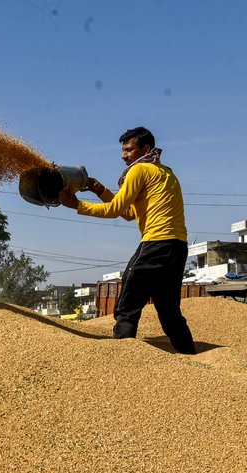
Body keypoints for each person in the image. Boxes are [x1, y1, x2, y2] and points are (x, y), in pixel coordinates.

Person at [60, 126, 196, 354]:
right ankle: (191, 357)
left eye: (129, 150)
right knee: (170, 313)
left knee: (127, 306)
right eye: (123, 150)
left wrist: (76, 205)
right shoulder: (166, 173)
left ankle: (122, 359)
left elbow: (115, 210)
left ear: (145, 149)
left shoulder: (139, 170)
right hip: (177, 247)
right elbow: (129, 213)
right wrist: (100, 190)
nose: (124, 156)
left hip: (156, 243)